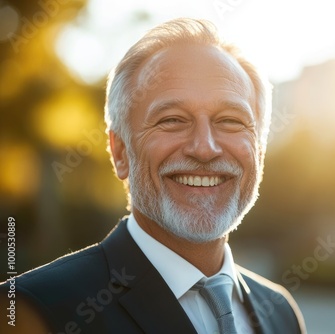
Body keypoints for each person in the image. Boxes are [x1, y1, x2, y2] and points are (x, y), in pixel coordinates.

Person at [0, 18, 306, 333]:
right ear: (120, 152)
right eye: (172, 119)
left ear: (258, 149)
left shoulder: (281, 314)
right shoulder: (31, 311)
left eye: (230, 120)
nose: (204, 148)